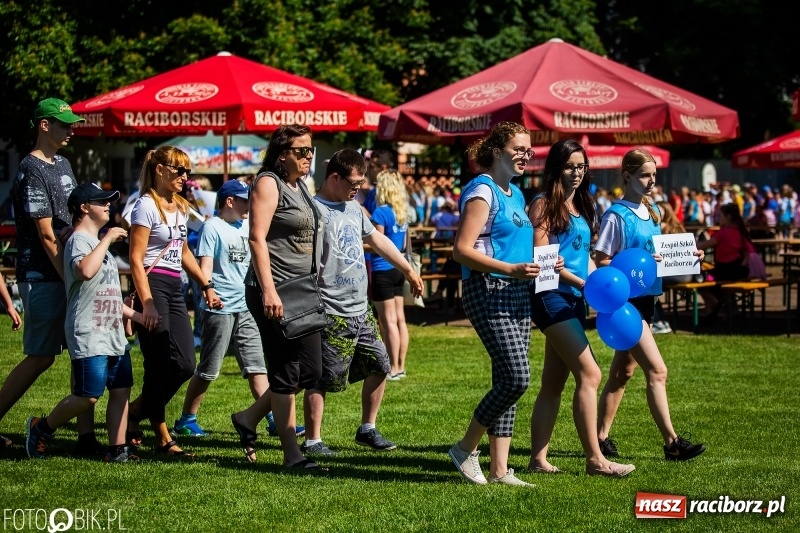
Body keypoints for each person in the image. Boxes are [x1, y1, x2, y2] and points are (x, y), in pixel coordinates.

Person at [300, 149, 423, 457]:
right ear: (334, 177)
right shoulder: (313, 210)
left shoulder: (354, 208)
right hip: (330, 308)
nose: (358, 188)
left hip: (360, 308)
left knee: (382, 364)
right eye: (353, 182)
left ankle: (367, 428)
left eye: (361, 182)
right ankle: (313, 440)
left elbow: (378, 240)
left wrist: (408, 269)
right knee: (322, 376)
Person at [527, 139, 635, 477]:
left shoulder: (582, 207)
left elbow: (584, 257)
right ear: (556, 168)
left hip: (574, 300)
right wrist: (582, 283)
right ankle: (594, 459)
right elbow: (541, 257)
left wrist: (601, 281)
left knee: (552, 384)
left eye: (581, 166)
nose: (577, 172)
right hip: (550, 299)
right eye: (571, 166)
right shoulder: (543, 205)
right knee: (591, 373)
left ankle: (537, 459)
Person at [0, 98, 102, 454]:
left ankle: (86, 438)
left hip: (64, 272)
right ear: (44, 125)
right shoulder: (31, 169)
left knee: (81, 351)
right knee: (41, 356)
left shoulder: (64, 164)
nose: (71, 129)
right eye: (64, 124)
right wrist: (69, 277)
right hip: (44, 275)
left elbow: (69, 222)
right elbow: (45, 234)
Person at [594, 148, 705, 462]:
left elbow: (662, 254)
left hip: (646, 300)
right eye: (644, 175)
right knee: (657, 371)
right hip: (625, 304)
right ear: (627, 176)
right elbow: (601, 260)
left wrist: (689, 257)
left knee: (622, 373)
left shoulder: (654, 210)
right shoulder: (616, 215)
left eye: (654, 175)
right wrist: (636, 265)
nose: (651, 181)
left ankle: (600, 437)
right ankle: (672, 443)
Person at [447, 122, 539, 487]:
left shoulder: (514, 193)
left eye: (528, 151)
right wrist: (511, 269)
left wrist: (543, 263)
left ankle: (500, 470)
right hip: (488, 289)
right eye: (518, 149)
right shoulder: (482, 190)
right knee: (518, 378)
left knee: (506, 379)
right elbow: (462, 250)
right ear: (497, 151)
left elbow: (513, 243)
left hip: (516, 291)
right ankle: (465, 448)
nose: (525, 156)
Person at [25, 183, 144, 462]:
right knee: (88, 396)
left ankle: (117, 450)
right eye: (101, 201)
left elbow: (109, 295)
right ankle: (41, 428)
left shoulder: (93, 243)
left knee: (121, 390)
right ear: (83, 207)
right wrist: (107, 238)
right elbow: (85, 271)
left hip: (112, 333)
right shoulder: (80, 240)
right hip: (89, 332)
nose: (108, 205)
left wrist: (137, 316)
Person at [230, 125, 322, 468]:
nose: (308, 156)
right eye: (301, 150)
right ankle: (291, 454)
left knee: (311, 370)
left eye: (310, 150)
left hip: (302, 290)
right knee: (286, 371)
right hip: (274, 290)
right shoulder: (269, 182)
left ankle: (249, 417)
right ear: (282, 153)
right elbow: (256, 238)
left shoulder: (300, 186)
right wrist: (268, 289)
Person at [126, 146, 222, 457]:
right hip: (152, 286)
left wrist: (206, 285)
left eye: (186, 171)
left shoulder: (180, 206)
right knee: (158, 366)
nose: (185, 176)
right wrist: (148, 302)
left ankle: (133, 413)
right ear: (159, 170)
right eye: (178, 170)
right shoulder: (145, 206)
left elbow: (182, 252)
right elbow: (136, 260)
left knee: (184, 364)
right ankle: (163, 437)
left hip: (174, 286)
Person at [173, 179, 279, 438]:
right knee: (209, 368)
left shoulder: (247, 227)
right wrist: (208, 290)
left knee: (257, 366)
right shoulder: (212, 227)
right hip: (220, 307)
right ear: (229, 201)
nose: (249, 204)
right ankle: (187, 419)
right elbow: (204, 265)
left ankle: (273, 418)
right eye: (245, 200)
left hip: (247, 307)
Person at [369, 169, 411, 380]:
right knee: (400, 320)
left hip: (382, 269)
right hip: (399, 268)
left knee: (387, 322)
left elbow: (378, 244)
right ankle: (401, 365)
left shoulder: (380, 212)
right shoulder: (402, 211)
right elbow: (401, 244)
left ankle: (392, 368)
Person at [696, 203, 753, 323]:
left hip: (724, 272)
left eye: (720, 215)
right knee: (712, 279)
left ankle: (712, 304)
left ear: (728, 217)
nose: (718, 218)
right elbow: (749, 252)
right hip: (739, 271)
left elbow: (702, 246)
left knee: (699, 278)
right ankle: (724, 306)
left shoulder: (723, 233)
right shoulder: (741, 231)